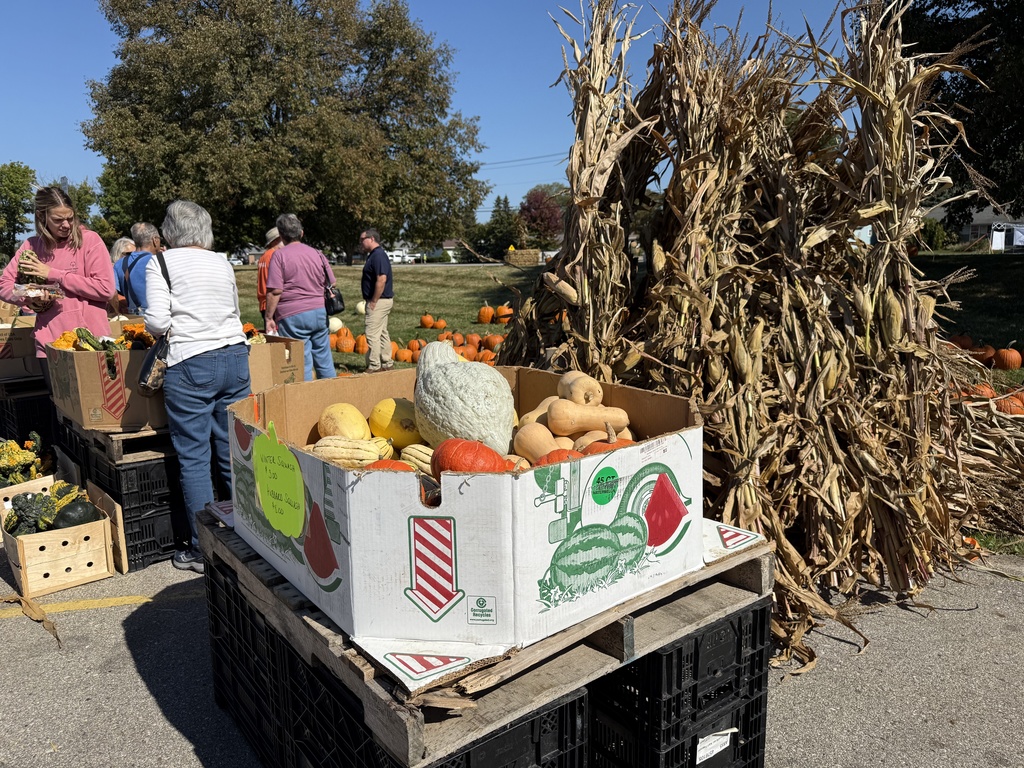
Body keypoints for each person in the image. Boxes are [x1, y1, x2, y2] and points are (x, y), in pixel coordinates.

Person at [144, 200, 251, 574]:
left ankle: (200, 547)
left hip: (191, 361)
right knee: (231, 450)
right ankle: (247, 533)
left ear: (168, 232)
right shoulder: (221, 261)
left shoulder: (159, 263)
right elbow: (234, 309)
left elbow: (157, 321)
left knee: (193, 457)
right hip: (236, 356)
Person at [0, 186, 116, 390]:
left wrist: (53, 274)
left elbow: (105, 289)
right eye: (58, 220)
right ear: (41, 216)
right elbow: (5, 285)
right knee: (60, 410)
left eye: (70, 218)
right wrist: (31, 296)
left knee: (92, 413)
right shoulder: (31, 246)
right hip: (50, 344)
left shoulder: (90, 241)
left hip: (91, 342)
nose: (66, 225)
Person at [264, 213, 337, 381]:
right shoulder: (317, 253)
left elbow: (275, 291)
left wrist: (269, 317)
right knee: (324, 360)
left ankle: (304, 401)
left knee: (301, 362)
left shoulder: (279, 256)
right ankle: (334, 397)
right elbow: (332, 281)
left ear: (281, 236)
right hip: (319, 312)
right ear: (301, 233)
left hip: (292, 316)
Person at [359, 228, 394, 372]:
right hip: (383, 300)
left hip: (379, 301)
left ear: (372, 239)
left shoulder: (378, 255)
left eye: (362, 239)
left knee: (372, 333)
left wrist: (373, 301)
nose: (360, 243)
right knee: (382, 332)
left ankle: (374, 366)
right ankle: (387, 363)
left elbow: (382, 279)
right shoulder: (374, 255)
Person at [114, 222, 162, 314]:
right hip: (157, 317)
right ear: (155, 240)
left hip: (132, 319)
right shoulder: (158, 261)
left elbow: (113, 293)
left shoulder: (119, 264)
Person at [255, 226, 282, 325]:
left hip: (263, 303)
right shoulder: (275, 255)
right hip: (273, 302)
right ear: (275, 241)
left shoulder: (263, 257)